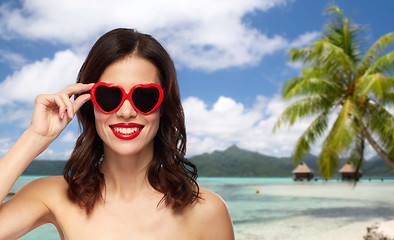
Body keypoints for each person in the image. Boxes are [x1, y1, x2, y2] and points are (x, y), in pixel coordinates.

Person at [0, 28, 235, 239]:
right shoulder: (52, 195)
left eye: (144, 96)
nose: (126, 111)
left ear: (163, 106)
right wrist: (36, 137)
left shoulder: (208, 210)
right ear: (90, 104)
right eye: (109, 96)